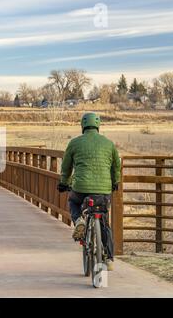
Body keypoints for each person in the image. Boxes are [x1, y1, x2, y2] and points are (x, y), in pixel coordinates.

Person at [57, 112, 121, 270]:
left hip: (81, 188)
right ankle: (108, 258)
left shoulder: (74, 143)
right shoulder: (108, 143)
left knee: (73, 200)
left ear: (83, 126)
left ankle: (79, 220)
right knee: (104, 220)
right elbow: (116, 167)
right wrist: (115, 182)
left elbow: (66, 167)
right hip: (103, 190)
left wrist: (63, 183)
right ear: (98, 126)